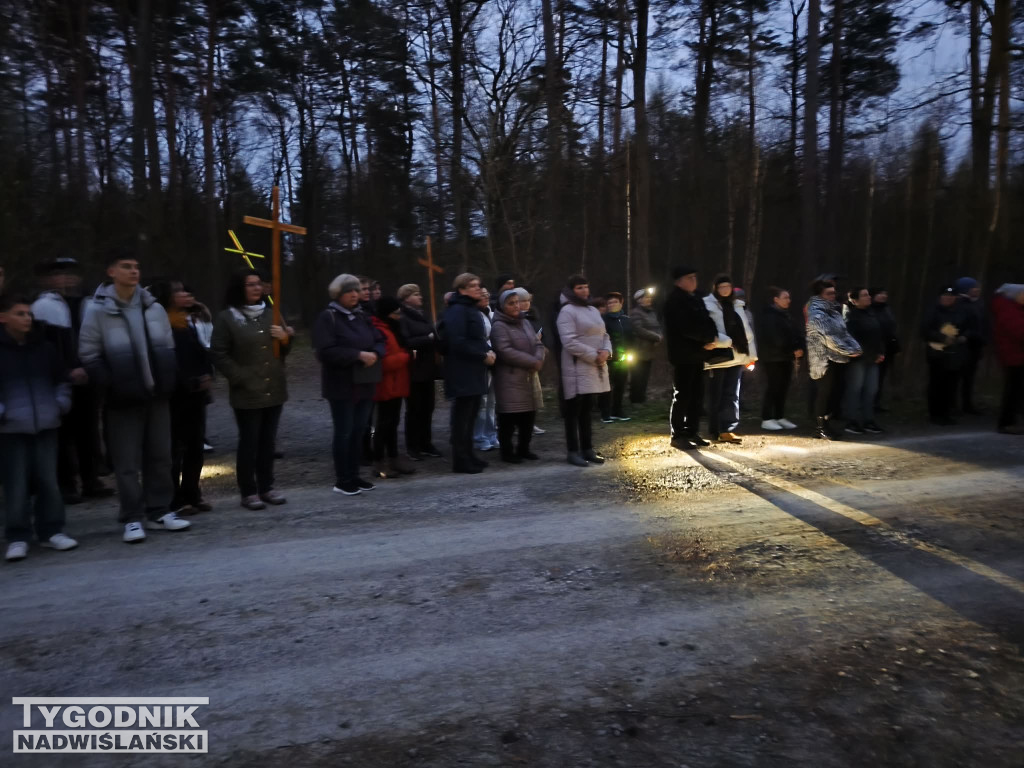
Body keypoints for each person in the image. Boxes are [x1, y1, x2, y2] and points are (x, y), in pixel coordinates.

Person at [79, 252, 189, 541]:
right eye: (126, 267)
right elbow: (89, 354)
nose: (133, 272)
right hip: (122, 398)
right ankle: (132, 517)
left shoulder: (153, 308)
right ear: (111, 271)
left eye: (137, 267)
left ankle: (160, 510)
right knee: (127, 462)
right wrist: (111, 385)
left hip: (157, 395)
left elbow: (168, 348)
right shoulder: (97, 310)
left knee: (161, 457)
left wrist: (168, 382)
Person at [0, 295, 78, 561]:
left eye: (29, 314)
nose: (27, 318)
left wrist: (59, 405)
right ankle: (18, 535)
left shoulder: (44, 349)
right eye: (20, 313)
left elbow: (61, 381)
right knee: (16, 484)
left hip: (46, 424)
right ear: (3, 318)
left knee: (48, 481)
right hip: (10, 429)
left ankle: (52, 530)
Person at [210, 269, 294, 510]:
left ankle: (267, 486)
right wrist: (240, 376)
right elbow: (218, 353)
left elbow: (282, 353)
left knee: (268, 443)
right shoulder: (227, 318)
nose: (257, 288)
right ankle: (248, 491)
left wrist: (285, 340)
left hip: (274, 388)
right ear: (239, 288)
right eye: (250, 284)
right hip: (247, 391)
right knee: (250, 442)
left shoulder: (272, 314)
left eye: (259, 284)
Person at [31, 257, 112, 503]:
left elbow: (97, 340)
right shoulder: (43, 307)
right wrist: (66, 371)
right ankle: (66, 484)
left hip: (88, 377)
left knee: (89, 431)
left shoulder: (87, 304)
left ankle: (91, 479)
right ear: (47, 279)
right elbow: (45, 347)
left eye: (69, 274)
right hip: (59, 379)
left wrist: (91, 368)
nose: (64, 279)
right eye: (58, 274)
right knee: (62, 433)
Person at [311, 274, 386, 496]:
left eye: (356, 290)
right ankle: (343, 478)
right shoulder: (328, 318)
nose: (355, 294)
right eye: (349, 291)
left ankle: (354, 475)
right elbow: (325, 351)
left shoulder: (362, 315)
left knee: (359, 430)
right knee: (344, 431)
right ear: (337, 294)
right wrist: (357, 355)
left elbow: (380, 339)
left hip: (365, 382)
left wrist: (375, 353)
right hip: (341, 385)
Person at [150, 279, 214, 514]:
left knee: (195, 446)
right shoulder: (161, 323)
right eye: (178, 291)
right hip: (176, 394)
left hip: (196, 393)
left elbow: (202, 351)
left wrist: (206, 375)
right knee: (175, 447)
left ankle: (192, 493)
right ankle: (175, 498)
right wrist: (191, 380)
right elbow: (169, 363)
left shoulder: (189, 322)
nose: (185, 294)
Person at [556, 275, 612, 467]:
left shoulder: (592, 310)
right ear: (572, 290)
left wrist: (606, 351)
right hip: (577, 366)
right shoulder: (567, 312)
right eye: (580, 288)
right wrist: (593, 355)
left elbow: (604, 335)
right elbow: (569, 341)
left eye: (586, 287)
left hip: (595, 365)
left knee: (587, 410)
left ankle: (587, 448)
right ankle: (573, 450)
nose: (584, 291)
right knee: (573, 411)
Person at [443, 273, 495, 473]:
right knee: (462, 417)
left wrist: (486, 351)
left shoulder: (470, 308)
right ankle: (460, 460)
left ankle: (469, 454)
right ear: (461, 289)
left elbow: (476, 337)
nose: (478, 288)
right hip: (462, 370)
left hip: (474, 369)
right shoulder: (457, 310)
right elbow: (458, 341)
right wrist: (483, 355)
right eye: (472, 285)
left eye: (478, 284)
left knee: (471, 414)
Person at [664, 266, 718, 449]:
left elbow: (707, 320)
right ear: (679, 281)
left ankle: (691, 431)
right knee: (682, 395)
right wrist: (706, 338)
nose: (694, 281)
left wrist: (712, 337)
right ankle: (677, 434)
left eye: (695, 277)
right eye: (689, 278)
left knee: (697, 395)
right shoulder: (674, 301)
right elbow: (685, 328)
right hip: (683, 354)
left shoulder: (697, 299)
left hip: (698, 354)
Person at [491, 289, 545, 462]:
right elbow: (505, 351)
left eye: (517, 302)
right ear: (501, 306)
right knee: (509, 418)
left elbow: (538, 343)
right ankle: (507, 452)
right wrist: (532, 361)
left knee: (528, 416)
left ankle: (524, 448)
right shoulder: (499, 326)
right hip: (509, 378)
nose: (515, 306)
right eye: (511, 303)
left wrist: (539, 358)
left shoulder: (525, 322)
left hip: (528, 377)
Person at [703, 275, 757, 444]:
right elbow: (706, 329)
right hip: (718, 356)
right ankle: (714, 428)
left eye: (728, 286)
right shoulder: (708, 305)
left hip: (737, 356)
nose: (725, 290)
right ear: (715, 289)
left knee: (732, 393)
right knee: (716, 394)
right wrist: (724, 342)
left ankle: (728, 428)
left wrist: (751, 356)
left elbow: (747, 333)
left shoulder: (737, 305)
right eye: (721, 287)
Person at [805, 279, 862, 440]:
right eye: (828, 293)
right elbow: (828, 337)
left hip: (838, 359)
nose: (833, 295)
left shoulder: (834, 312)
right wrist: (850, 351)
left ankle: (827, 423)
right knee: (824, 394)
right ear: (820, 295)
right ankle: (819, 427)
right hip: (823, 360)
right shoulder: (816, 313)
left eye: (833, 292)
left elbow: (844, 333)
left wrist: (856, 348)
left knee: (833, 394)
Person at [370, 297, 416, 479]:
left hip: (397, 383)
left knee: (393, 422)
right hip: (386, 385)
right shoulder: (380, 331)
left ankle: (393, 457)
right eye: (395, 313)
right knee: (383, 424)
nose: (399, 316)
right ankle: (379, 461)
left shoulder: (392, 330)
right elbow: (384, 362)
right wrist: (406, 357)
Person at [398, 284, 441, 459]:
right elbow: (406, 340)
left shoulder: (422, 315)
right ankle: (413, 446)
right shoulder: (403, 317)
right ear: (406, 297)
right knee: (414, 409)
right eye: (416, 294)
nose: (420, 297)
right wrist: (428, 338)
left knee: (428, 407)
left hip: (428, 368)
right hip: (413, 370)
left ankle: (426, 443)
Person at [922, 285, 977, 426]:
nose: (948, 298)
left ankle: (946, 412)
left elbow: (970, 327)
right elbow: (925, 330)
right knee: (936, 384)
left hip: (955, 351)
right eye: (945, 295)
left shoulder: (961, 311)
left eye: (951, 296)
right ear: (940, 297)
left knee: (951, 384)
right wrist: (941, 337)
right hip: (937, 351)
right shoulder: (933, 311)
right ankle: (935, 413)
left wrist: (965, 336)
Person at [755, 286, 803, 430]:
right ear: (775, 300)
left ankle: (779, 416)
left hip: (785, 357)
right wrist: (792, 349)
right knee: (773, 387)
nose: (788, 300)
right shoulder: (769, 316)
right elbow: (775, 338)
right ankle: (767, 418)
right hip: (773, 357)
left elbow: (796, 333)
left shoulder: (786, 315)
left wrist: (799, 347)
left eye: (789, 297)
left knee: (783, 387)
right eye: (785, 297)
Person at [842, 287, 885, 435]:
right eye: (864, 295)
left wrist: (880, 352)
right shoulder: (851, 317)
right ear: (855, 300)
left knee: (871, 390)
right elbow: (850, 338)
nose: (868, 297)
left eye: (868, 295)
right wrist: (860, 353)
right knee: (855, 390)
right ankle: (852, 421)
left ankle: (868, 420)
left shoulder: (871, 313)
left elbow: (878, 335)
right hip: (858, 359)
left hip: (873, 358)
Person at [991, 284, 1024, 435]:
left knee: (1016, 390)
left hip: (1016, 355)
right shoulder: (1008, 310)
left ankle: (1012, 420)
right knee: (1013, 391)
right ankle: (1006, 423)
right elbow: (1019, 331)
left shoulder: (1015, 308)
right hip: (1013, 356)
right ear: (1014, 295)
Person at [954, 277, 988, 414]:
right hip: (963, 345)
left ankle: (967, 405)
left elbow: (982, 323)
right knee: (956, 377)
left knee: (969, 378)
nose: (977, 289)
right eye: (974, 287)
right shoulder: (959, 304)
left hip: (975, 345)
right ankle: (953, 406)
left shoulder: (978, 303)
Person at [599, 292, 634, 423]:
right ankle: (605, 412)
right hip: (609, 357)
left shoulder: (626, 319)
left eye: (615, 302)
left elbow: (631, 337)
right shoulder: (603, 320)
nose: (612, 305)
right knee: (607, 386)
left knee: (620, 384)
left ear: (621, 303)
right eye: (609, 303)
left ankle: (617, 410)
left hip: (625, 358)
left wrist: (631, 350)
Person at [472, 287, 500, 452]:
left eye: (487, 294)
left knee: (492, 401)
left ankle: (491, 434)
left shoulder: (491, 313)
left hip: (494, 357)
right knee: (482, 401)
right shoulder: (475, 315)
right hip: (483, 358)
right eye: (482, 295)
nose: (486, 297)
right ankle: (479, 437)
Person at [519, 289, 546, 435]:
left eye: (528, 300)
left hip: (534, 358)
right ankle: (520, 425)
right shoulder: (514, 319)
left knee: (533, 394)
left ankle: (531, 423)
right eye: (523, 301)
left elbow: (541, 333)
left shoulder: (533, 317)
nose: (526, 304)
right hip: (521, 360)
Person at [629, 287, 662, 404]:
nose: (649, 299)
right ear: (639, 300)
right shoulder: (635, 313)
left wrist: (659, 335)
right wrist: (656, 337)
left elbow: (657, 326)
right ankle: (635, 399)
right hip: (639, 349)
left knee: (645, 375)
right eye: (646, 297)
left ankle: (642, 398)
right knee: (637, 375)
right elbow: (639, 329)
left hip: (650, 349)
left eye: (649, 297)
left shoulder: (652, 312)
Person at [871, 288, 899, 412]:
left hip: (888, 346)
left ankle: (876, 402)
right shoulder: (870, 309)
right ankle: (869, 404)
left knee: (881, 376)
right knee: (873, 376)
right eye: (880, 293)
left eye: (885, 293)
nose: (883, 296)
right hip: (875, 347)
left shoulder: (886, 308)